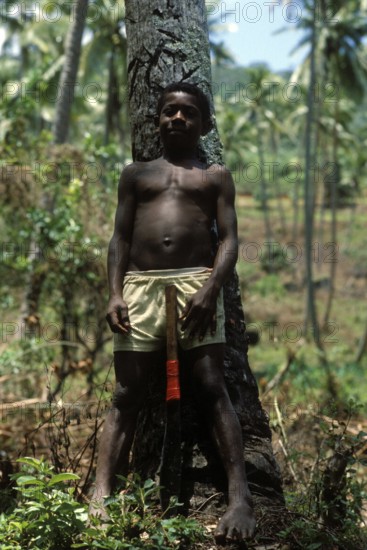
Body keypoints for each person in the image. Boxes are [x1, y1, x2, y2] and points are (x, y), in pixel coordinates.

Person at [90, 82, 256, 542]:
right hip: (140, 287)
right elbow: (120, 239)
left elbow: (230, 240)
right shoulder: (136, 175)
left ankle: (240, 497)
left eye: (187, 113)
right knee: (127, 393)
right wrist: (115, 293)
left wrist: (210, 290)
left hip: (194, 285)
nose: (177, 118)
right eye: (169, 112)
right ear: (157, 121)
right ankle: (101, 494)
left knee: (210, 386)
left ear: (205, 124)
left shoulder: (214, 176)